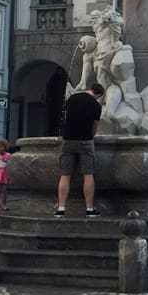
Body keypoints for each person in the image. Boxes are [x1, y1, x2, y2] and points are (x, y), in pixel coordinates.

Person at [55, 82, 105, 217]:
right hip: (85, 141)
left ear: (90, 89)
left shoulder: (72, 98)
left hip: (68, 139)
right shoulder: (96, 105)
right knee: (88, 174)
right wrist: (91, 135)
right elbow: (94, 127)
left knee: (65, 175)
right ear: (98, 95)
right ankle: (89, 209)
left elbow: (66, 118)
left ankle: (61, 208)